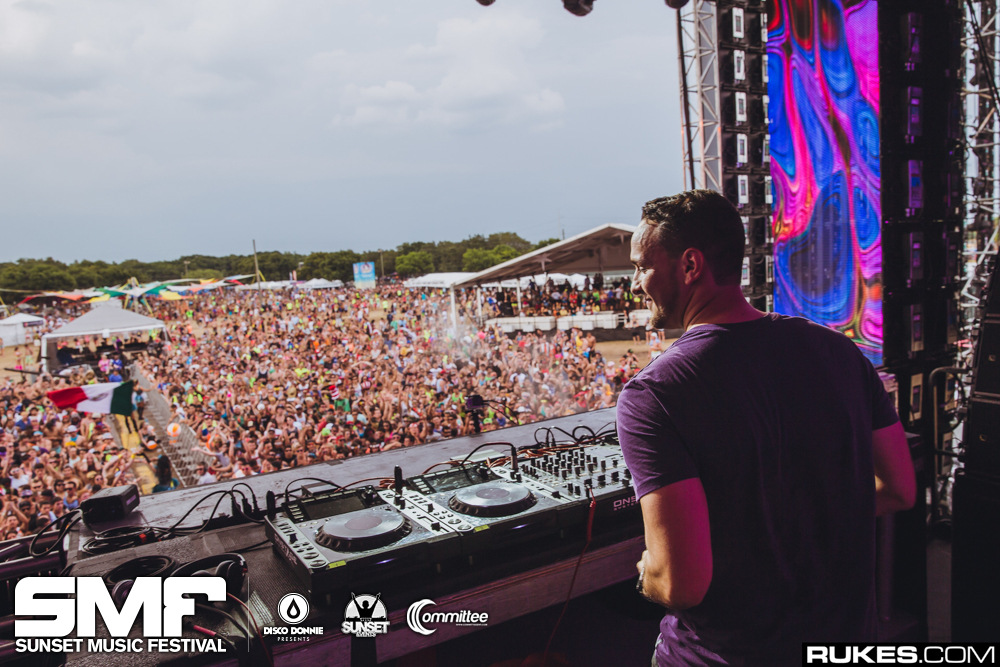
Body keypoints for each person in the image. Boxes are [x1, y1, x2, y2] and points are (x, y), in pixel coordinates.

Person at [616, 190, 916, 666]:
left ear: (690, 265)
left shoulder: (654, 394)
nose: (635, 284)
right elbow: (899, 489)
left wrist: (646, 572)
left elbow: (679, 584)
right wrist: (808, 517)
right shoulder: (841, 352)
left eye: (641, 267)